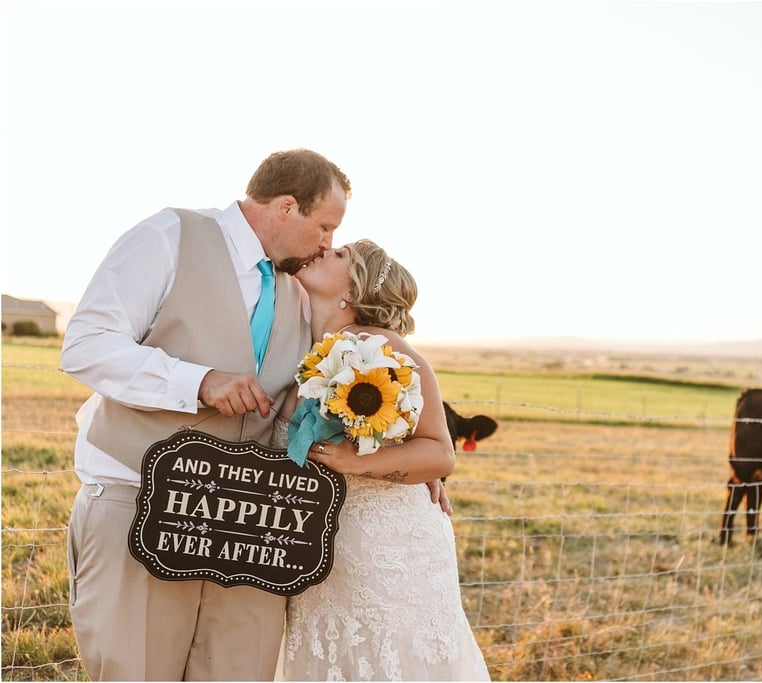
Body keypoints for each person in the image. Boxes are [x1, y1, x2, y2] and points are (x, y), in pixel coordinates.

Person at [61, 149, 353, 681]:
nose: (328, 243)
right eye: (325, 226)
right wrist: (197, 382)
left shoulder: (301, 290)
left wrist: (409, 465)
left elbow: (339, 385)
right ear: (287, 207)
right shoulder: (169, 236)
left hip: (251, 523)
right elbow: (86, 345)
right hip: (139, 503)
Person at [275, 239, 491, 681]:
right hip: (321, 553)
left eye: (339, 256)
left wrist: (358, 463)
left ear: (350, 291)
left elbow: (438, 452)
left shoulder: (379, 348)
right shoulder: (302, 347)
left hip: (385, 553)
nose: (323, 250)